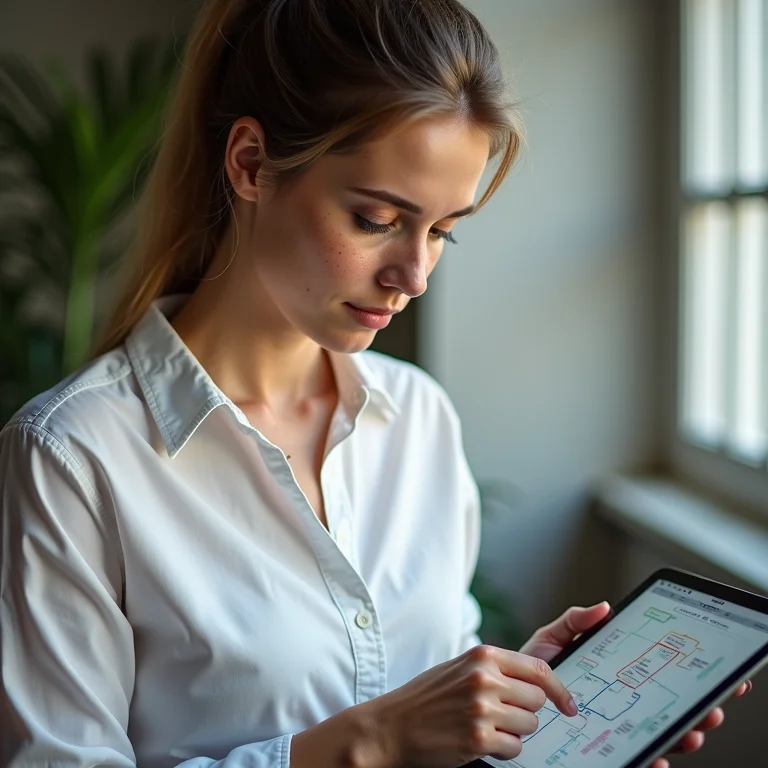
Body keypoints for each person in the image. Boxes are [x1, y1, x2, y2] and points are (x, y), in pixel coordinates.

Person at [0, 0, 748, 766]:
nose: (414, 275)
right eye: (376, 219)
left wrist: (520, 708)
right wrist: (370, 743)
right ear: (251, 163)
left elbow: (421, 695)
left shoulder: (418, 417)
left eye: (443, 230)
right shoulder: (72, 458)